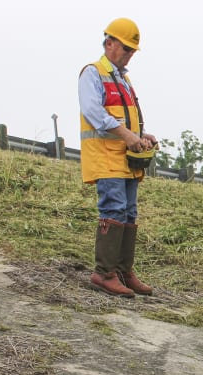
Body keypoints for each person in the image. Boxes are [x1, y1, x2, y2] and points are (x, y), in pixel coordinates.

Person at [78, 17, 157, 296]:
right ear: (109, 43)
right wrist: (126, 135)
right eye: (126, 49)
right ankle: (104, 273)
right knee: (113, 209)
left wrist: (142, 135)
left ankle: (124, 272)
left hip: (127, 157)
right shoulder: (93, 72)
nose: (130, 55)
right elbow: (94, 112)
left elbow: (130, 115)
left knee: (129, 212)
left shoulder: (123, 79)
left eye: (133, 51)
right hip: (106, 155)